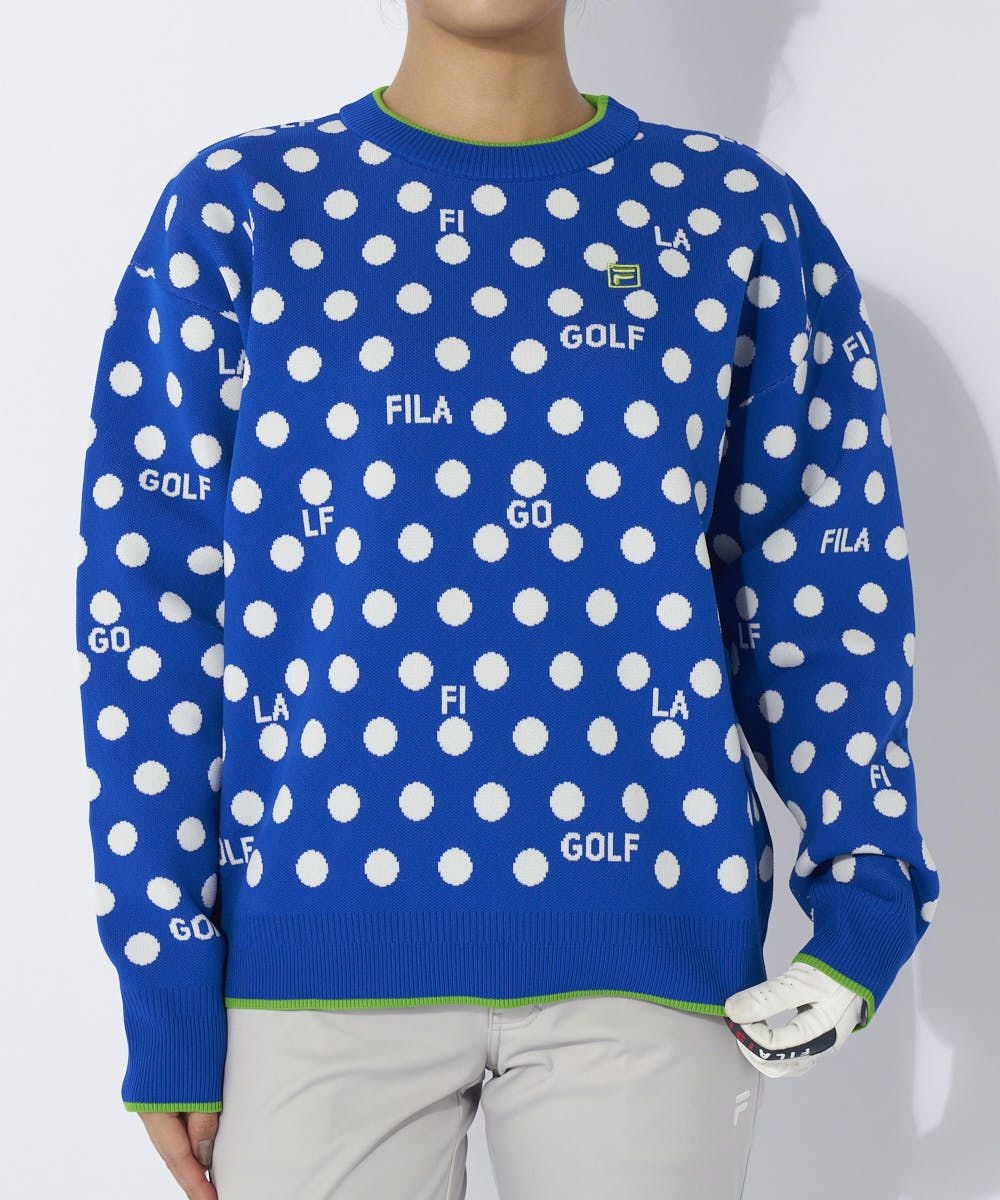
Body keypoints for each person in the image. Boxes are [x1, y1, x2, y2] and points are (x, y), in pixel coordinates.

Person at [74, 1, 940, 1196]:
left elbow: (823, 590)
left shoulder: (734, 216)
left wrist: (866, 896)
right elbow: (152, 606)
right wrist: (165, 971)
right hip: (310, 965)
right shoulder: (244, 211)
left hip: (652, 953)